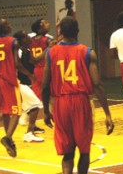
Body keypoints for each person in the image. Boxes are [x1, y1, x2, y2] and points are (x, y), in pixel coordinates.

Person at [42, 16, 114, 174]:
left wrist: (46, 111)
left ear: (60, 32)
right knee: (84, 149)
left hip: (60, 103)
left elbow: (45, 85)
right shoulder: (87, 52)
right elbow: (97, 84)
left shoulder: (50, 53)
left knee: (68, 151)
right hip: (81, 101)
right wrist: (107, 113)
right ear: (78, 31)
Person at [0, 18, 35, 157]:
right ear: (4, 28)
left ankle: (8, 139)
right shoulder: (13, 42)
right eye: (7, 24)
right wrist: (30, 75)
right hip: (8, 79)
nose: (10, 25)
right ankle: (8, 137)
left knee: (6, 111)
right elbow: (17, 64)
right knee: (17, 111)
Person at [13, 30, 45, 142]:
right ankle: (29, 133)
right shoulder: (20, 51)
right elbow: (18, 65)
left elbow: (35, 60)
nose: (29, 37)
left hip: (25, 83)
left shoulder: (26, 50)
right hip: (19, 83)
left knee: (30, 106)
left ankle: (31, 125)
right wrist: (30, 74)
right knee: (35, 105)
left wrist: (48, 49)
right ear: (22, 40)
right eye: (26, 36)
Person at [30, 18, 54, 100]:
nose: (48, 24)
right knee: (50, 95)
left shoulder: (30, 40)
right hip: (46, 69)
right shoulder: (48, 40)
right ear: (40, 29)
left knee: (39, 96)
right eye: (46, 23)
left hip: (36, 69)